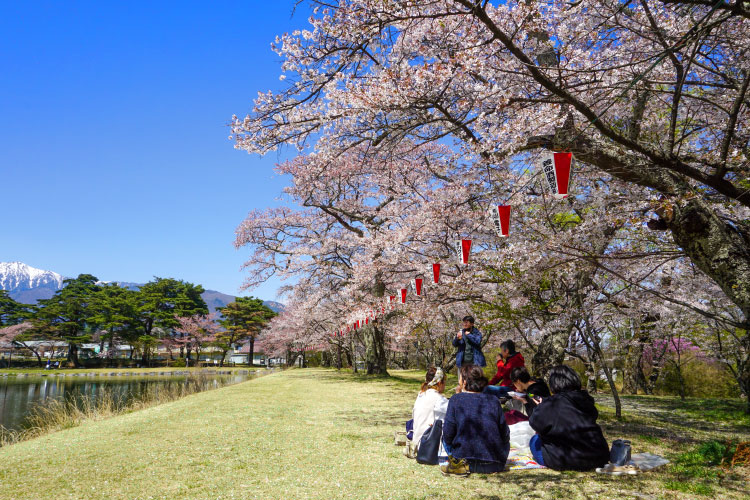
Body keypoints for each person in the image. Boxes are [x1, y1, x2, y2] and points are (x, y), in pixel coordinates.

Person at [528, 365, 610, 471]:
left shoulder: (553, 402)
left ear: (554, 384)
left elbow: (536, 424)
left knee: (534, 441)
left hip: (566, 459)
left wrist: (540, 407)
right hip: (598, 456)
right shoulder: (585, 399)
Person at [441, 364, 510, 475]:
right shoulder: (494, 400)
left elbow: (448, 434)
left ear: (464, 382)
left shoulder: (455, 399)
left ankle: (457, 463)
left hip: (464, 461)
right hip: (494, 463)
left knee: (444, 436)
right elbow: (505, 434)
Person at [411, 367, 449, 449]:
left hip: (417, 443)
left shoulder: (420, 395)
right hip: (430, 446)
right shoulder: (439, 399)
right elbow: (455, 412)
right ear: (439, 383)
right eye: (444, 382)